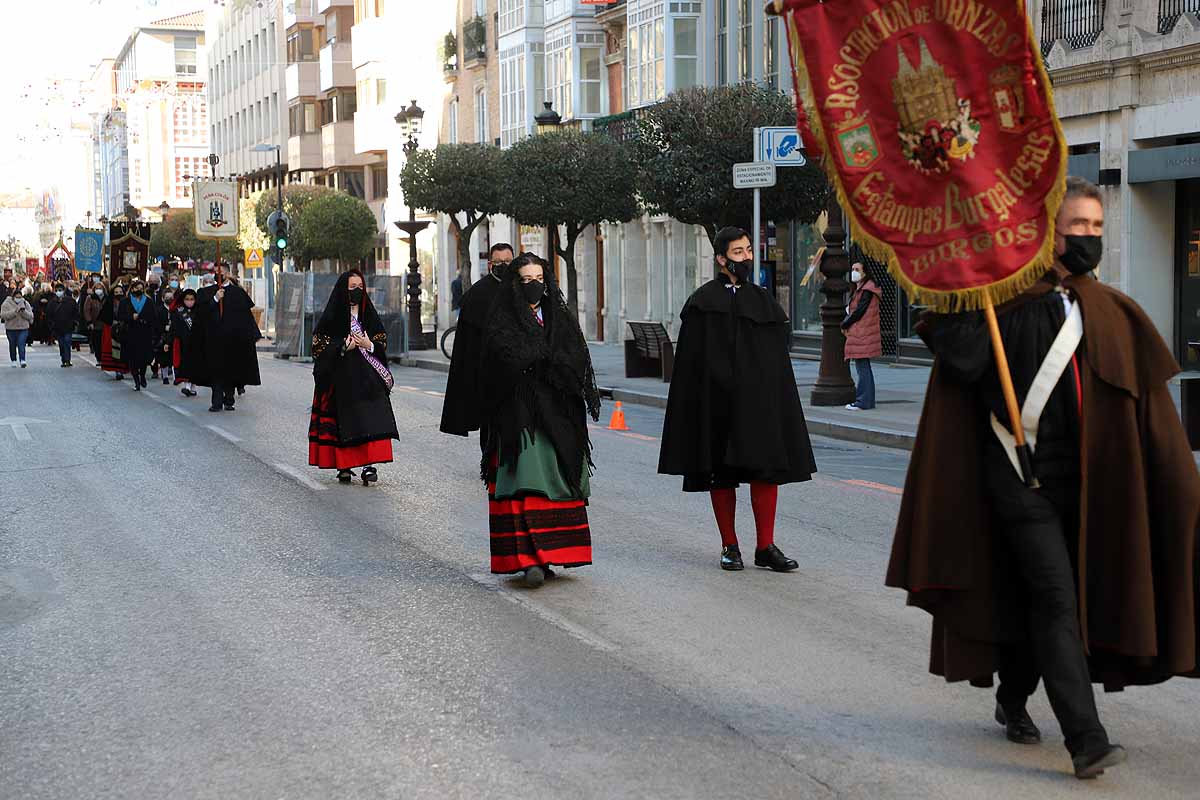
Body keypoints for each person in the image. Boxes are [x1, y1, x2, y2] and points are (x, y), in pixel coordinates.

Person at [887, 177, 1200, 780]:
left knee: (1060, 599)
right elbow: (966, 360)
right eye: (1076, 226)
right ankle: (1086, 739)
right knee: (1056, 596)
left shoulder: (1112, 312)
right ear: (1047, 235)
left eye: (1096, 228)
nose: (1087, 238)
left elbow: (1147, 416)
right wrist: (963, 297)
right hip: (1019, 482)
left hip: (1093, 487)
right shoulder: (1001, 305)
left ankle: (1013, 693)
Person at [658, 226, 817, 573]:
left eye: (748, 250)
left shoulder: (763, 300)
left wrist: (773, 401)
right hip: (715, 404)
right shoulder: (701, 303)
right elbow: (690, 365)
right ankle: (730, 546)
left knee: (766, 471)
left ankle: (765, 546)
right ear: (720, 259)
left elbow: (778, 362)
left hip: (758, 404)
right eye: (738, 252)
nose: (745, 257)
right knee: (721, 473)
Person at [479, 253, 601, 588]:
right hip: (520, 416)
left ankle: (552, 554)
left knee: (558, 480)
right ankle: (528, 559)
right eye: (527, 280)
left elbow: (574, 356)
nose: (534, 286)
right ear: (515, 285)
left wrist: (553, 366)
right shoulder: (502, 319)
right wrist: (533, 360)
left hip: (558, 413)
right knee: (526, 482)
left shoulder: (558, 317)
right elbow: (499, 363)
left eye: (539, 279)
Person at [308, 271, 399, 485]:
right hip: (341, 379)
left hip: (368, 379)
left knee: (371, 420)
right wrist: (342, 347)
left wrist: (370, 345)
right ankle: (344, 466)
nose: (357, 290)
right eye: (352, 287)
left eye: (360, 286)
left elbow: (381, 340)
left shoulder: (369, 313)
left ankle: (369, 465)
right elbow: (319, 345)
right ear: (343, 289)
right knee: (343, 422)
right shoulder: (333, 315)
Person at [440, 242, 515, 438]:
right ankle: (489, 466)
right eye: (498, 262)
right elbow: (468, 344)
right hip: (489, 373)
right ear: (490, 264)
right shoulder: (477, 294)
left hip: (518, 372)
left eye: (508, 261)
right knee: (490, 426)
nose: (504, 265)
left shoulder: (523, 287)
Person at [193, 264, 261, 412]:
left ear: (228, 273)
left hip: (233, 340)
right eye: (216, 272)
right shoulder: (206, 293)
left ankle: (229, 399)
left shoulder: (238, 293)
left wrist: (252, 334)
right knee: (216, 371)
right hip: (214, 341)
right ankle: (216, 401)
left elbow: (246, 317)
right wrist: (215, 299)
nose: (219, 274)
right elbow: (201, 314)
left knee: (231, 370)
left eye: (222, 272)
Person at [841, 261, 883, 411]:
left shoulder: (867, 290)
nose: (854, 272)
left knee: (863, 367)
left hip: (862, 333)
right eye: (852, 269)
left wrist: (845, 323)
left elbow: (859, 311)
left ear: (865, 272)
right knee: (863, 367)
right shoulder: (861, 288)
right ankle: (865, 399)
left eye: (857, 269)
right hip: (863, 332)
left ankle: (863, 401)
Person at [117, 278, 158, 390]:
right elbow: (120, 316)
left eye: (141, 288)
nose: (139, 290)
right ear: (132, 288)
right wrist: (131, 317)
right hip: (130, 333)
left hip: (145, 333)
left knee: (143, 358)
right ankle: (136, 381)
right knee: (132, 358)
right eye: (136, 288)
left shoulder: (148, 301)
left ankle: (142, 376)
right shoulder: (125, 301)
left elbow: (154, 317)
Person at [169, 288, 200, 397]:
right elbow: (173, 328)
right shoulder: (178, 311)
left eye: (192, 299)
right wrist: (168, 342)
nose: (189, 301)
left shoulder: (199, 311)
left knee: (195, 365)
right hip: (182, 342)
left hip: (196, 342)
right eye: (187, 299)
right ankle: (186, 386)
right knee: (184, 364)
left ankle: (193, 387)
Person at [97, 281, 129, 380]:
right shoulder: (109, 302)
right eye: (116, 292)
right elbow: (104, 316)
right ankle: (117, 371)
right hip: (111, 329)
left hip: (124, 329)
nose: (118, 294)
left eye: (120, 292)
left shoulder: (127, 302)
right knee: (114, 351)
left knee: (124, 350)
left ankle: (124, 369)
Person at [1, 289, 34, 367]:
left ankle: (22, 360)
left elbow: (31, 315)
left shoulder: (25, 303)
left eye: (20, 297)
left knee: (21, 343)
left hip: (23, 328)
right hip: (11, 328)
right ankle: (13, 360)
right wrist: (15, 312)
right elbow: (3, 315)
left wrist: (23, 312)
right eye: (17, 297)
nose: (18, 299)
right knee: (12, 345)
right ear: (13, 297)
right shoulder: (6, 303)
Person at [49, 282, 78, 367]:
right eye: (57, 290)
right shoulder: (52, 303)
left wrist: (74, 321)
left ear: (64, 291)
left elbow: (75, 312)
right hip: (58, 328)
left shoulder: (70, 301)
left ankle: (67, 360)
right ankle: (63, 358)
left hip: (68, 326)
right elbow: (49, 315)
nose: (59, 292)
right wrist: (52, 325)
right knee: (61, 344)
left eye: (60, 290)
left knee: (67, 342)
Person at [154, 287, 176, 384]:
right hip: (163, 336)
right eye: (167, 297)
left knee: (174, 356)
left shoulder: (176, 310)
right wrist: (164, 328)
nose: (169, 299)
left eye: (171, 297)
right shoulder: (159, 310)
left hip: (174, 335)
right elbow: (156, 324)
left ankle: (176, 376)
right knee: (164, 357)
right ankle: (165, 376)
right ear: (163, 298)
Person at [82, 282, 105, 356]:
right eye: (97, 288)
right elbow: (86, 310)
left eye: (100, 288)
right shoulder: (90, 298)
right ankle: (98, 356)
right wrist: (89, 322)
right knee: (97, 340)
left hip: (105, 323)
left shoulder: (106, 298)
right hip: (95, 323)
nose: (99, 290)